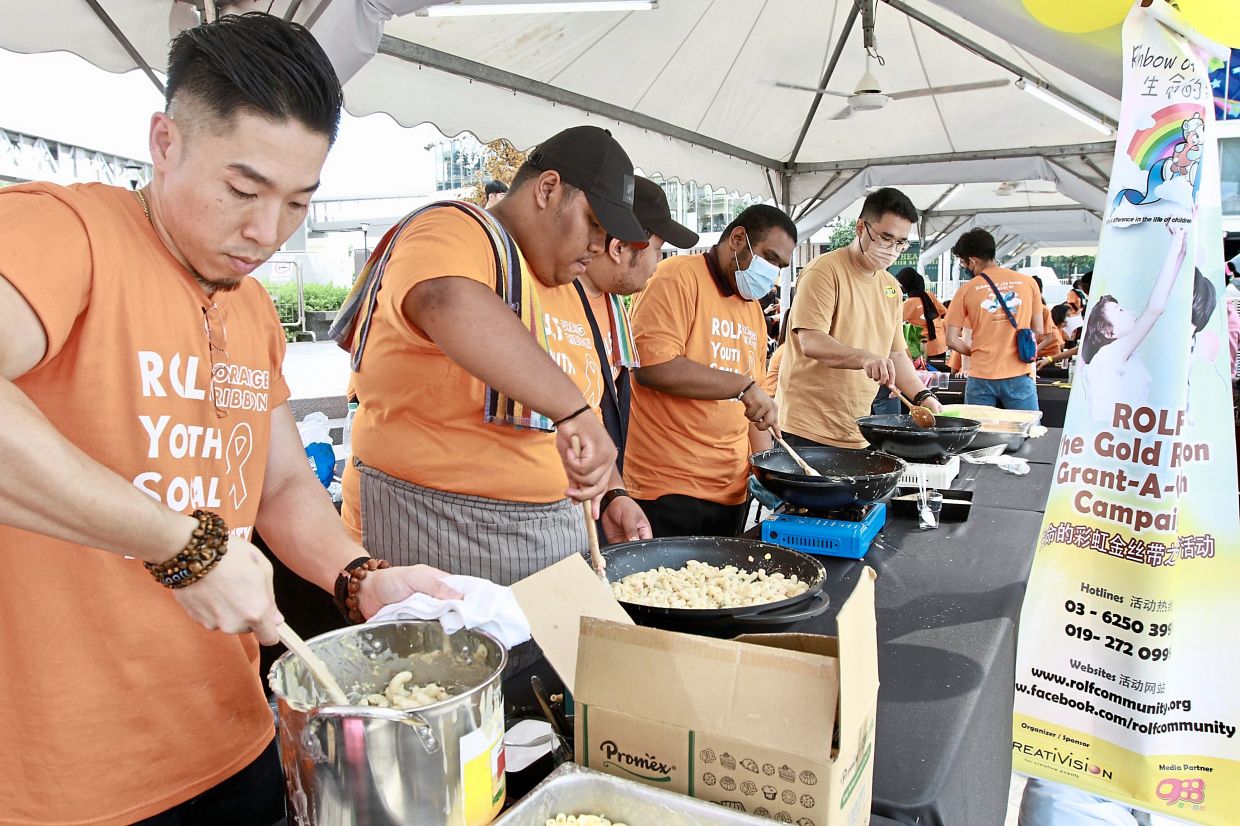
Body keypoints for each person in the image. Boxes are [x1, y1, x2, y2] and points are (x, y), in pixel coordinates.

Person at [0, 14, 458, 824]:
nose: (265, 232)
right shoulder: (67, 231)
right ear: (165, 142)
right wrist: (183, 547)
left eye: (297, 203)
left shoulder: (250, 310)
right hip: (72, 782)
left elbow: (277, 482)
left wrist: (358, 577)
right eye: (242, 191)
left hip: (236, 740)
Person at [335, 125, 650, 584]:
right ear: (547, 189)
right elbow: (446, 300)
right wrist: (571, 411)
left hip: (558, 536)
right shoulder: (457, 229)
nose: (599, 247)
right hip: (438, 535)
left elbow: (587, 404)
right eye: (594, 225)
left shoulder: (570, 289)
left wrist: (614, 490)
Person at [623, 205, 794, 537]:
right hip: (666, 488)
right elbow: (652, 366)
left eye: (780, 267)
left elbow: (753, 408)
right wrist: (742, 386)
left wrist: (769, 471)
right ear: (738, 238)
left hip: (731, 492)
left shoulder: (754, 313)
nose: (772, 273)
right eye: (768, 258)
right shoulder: (676, 277)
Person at [780, 188, 943, 449]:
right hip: (807, 430)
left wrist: (923, 396)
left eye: (901, 242)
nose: (892, 249)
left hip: (858, 428)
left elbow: (897, 354)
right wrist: (866, 357)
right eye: (885, 237)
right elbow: (811, 342)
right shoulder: (824, 271)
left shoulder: (890, 286)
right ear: (860, 228)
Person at [574, 176, 699, 473]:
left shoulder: (613, 302)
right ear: (619, 248)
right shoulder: (559, 299)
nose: (657, 264)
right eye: (657, 250)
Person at [1078, 226, 1189, 421]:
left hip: (1120, 439)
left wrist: (1180, 247)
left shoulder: (1121, 354)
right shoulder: (1111, 353)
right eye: (1119, 311)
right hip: (1115, 439)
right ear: (1108, 332)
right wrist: (1176, 245)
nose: (1128, 312)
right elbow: (1155, 307)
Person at [945, 228, 1046, 410]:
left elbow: (951, 340)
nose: (964, 268)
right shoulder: (1028, 283)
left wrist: (975, 351)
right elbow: (1038, 329)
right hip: (1019, 373)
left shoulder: (966, 290)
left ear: (972, 260)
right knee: (1027, 433)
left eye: (963, 263)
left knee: (980, 435)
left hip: (980, 376)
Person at [897, 266, 948, 365]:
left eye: (901, 284)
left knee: (925, 377)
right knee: (938, 376)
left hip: (924, 347)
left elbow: (893, 323)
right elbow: (945, 313)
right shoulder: (929, 295)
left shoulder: (908, 304)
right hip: (941, 343)